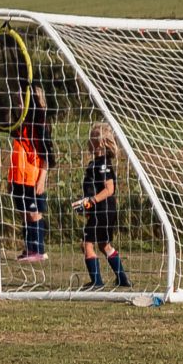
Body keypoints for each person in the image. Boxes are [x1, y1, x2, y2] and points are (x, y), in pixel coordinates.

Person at [72, 123, 132, 290]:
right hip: (103, 209)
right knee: (104, 244)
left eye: (91, 138)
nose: (88, 142)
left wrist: (92, 201)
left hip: (103, 209)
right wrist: (85, 203)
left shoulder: (103, 164)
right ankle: (122, 279)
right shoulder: (95, 163)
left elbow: (109, 189)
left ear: (99, 143)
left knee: (87, 244)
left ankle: (97, 282)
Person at [6, 92, 55, 263]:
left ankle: (39, 250)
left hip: (33, 179)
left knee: (35, 214)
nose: (19, 105)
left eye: (22, 101)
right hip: (18, 178)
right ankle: (29, 248)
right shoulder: (18, 127)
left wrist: (42, 179)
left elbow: (47, 156)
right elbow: (16, 154)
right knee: (25, 215)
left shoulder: (40, 126)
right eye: (18, 101)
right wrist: (10, 179)